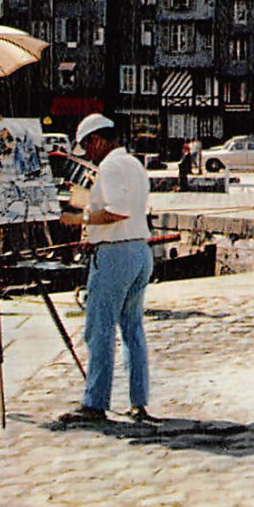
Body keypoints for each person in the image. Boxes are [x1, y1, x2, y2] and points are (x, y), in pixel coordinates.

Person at [58, 114, 156, 423]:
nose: (88, 155)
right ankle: (138, 402)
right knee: (133, 331)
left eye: (87, 148)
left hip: (117, 256)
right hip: (140, 250)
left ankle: (95, 403)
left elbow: (117, 212)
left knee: (99, 330)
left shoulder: (111, 167)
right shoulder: (134, 164)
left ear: (97, 140)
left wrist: (79, 220)